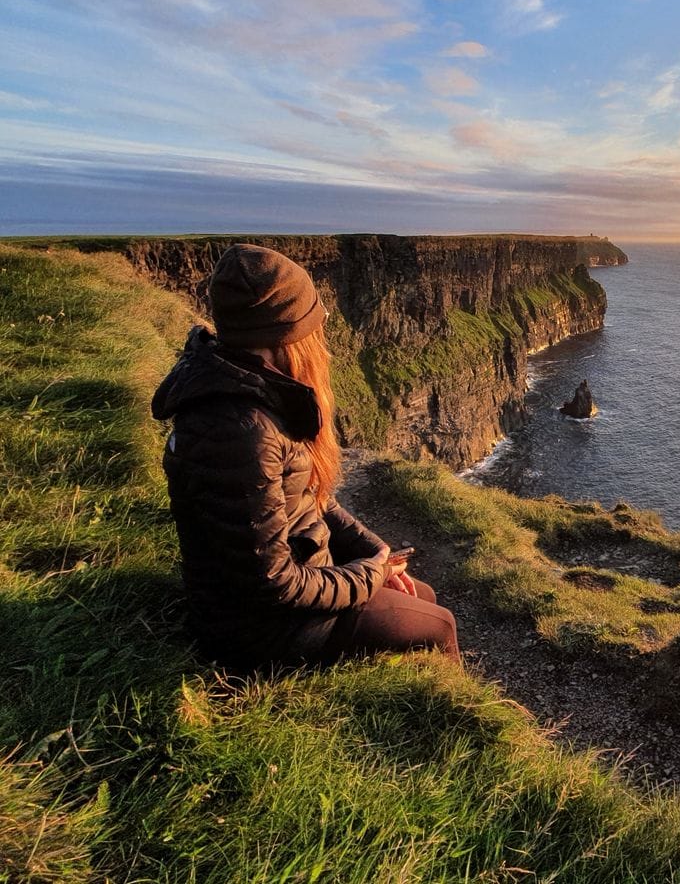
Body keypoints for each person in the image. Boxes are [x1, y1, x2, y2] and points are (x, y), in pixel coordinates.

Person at [151, 243, 459, 670]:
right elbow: (272, 582)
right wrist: (370, 575)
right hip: (263, 629)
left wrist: (376, 550)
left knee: (420, 595)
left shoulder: (257, 390)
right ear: (286, 333)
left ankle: (399, 681)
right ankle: (450, 718)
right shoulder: (240, 431)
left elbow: (310, 497)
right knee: (439, 625)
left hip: (287, 594)